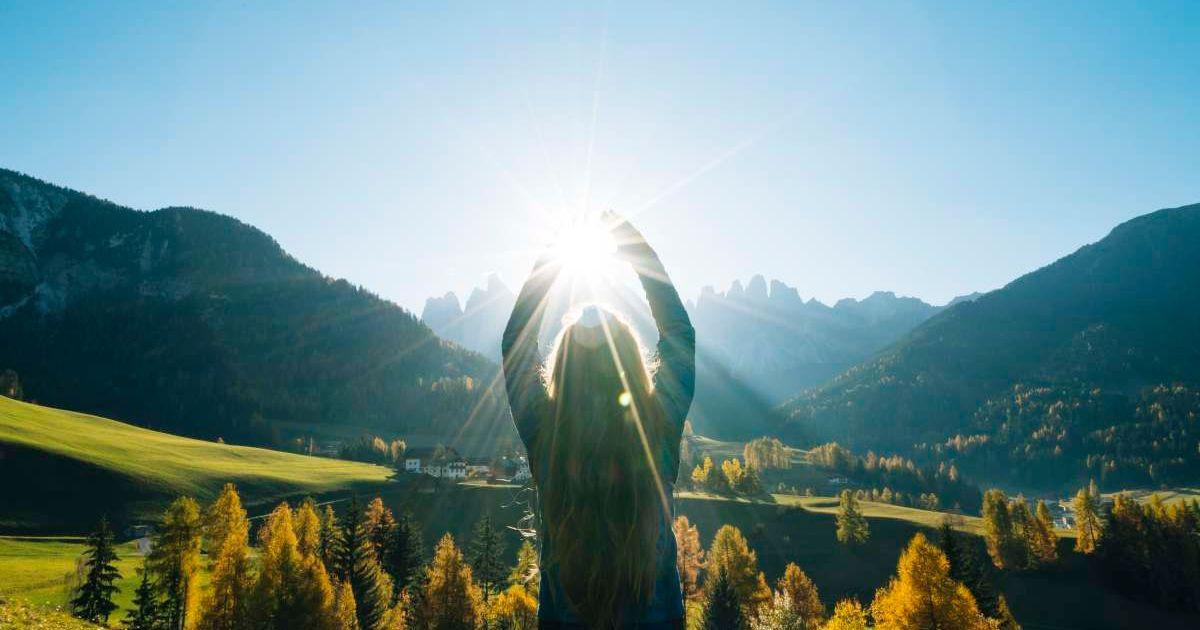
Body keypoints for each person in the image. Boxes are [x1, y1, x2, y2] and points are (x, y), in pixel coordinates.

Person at [502, 213, 696, 629]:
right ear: (631, 365)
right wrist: (636, 249)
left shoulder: (547, 440)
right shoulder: (656, 431)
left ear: (562, 370)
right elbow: (680, 336)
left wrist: (552, 259)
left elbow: (514, 346)